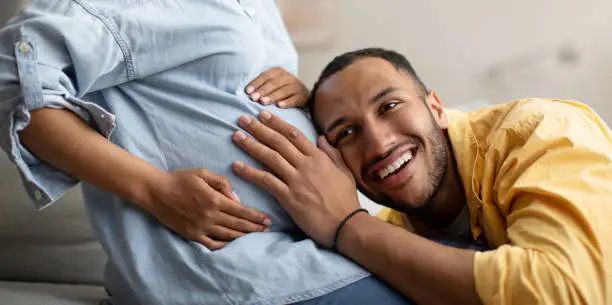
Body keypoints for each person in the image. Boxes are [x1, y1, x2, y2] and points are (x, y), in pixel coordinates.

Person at [0, 2, 411, 304]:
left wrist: (306, 101)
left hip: (315, 250)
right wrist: (155, 189)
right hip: (233, 272)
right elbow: (15, 77)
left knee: (461, 272)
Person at [231, 48, 612, 305]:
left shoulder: (542, 131)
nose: (379, 145)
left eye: (389, 106)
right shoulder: (395, 235)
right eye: (346, 132)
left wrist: (348, 226)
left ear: (436, 107)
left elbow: (567, 291)